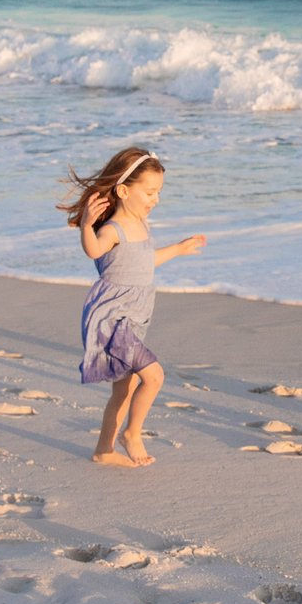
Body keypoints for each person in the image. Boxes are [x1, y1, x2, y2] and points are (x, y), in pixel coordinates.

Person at [60, 147, 206, 468]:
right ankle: (132, 433)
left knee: (123, 392)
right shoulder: (112, 230)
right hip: (112, 319)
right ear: (124, 190)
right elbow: (93, 249)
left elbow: (144, 263)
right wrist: (87, 225)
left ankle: (103, 450)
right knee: (153, 376)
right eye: (150, 192)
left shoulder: (142, 225)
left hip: (135, 316)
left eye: (159, 192)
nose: (156, 199)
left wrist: (179, 249)